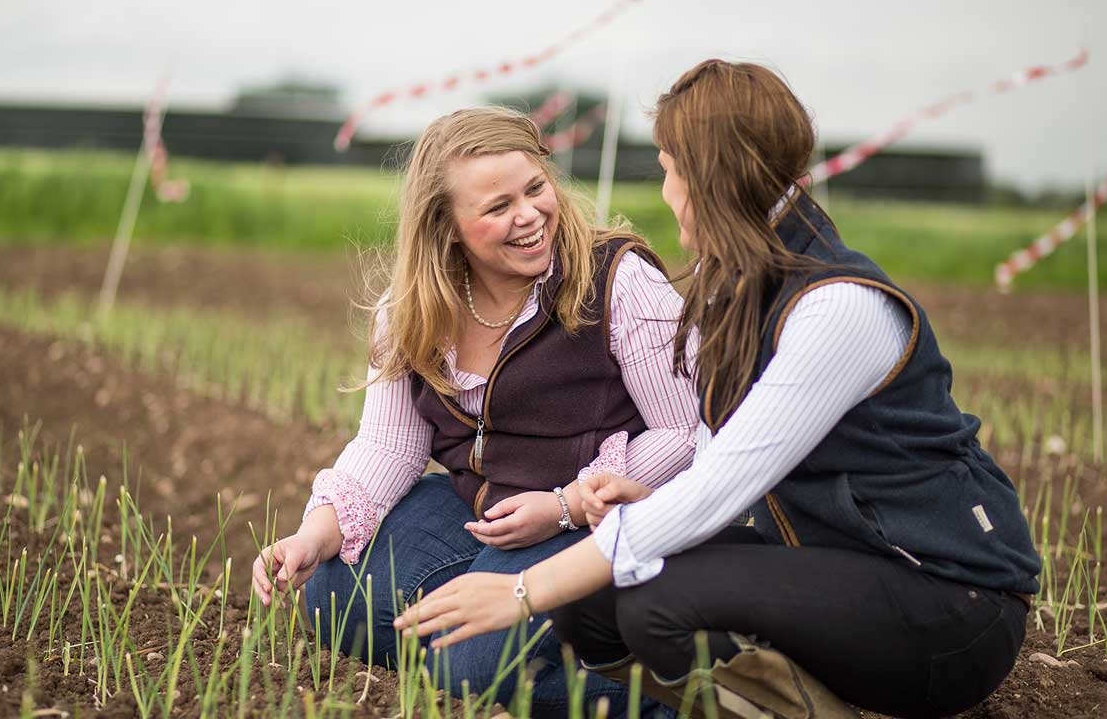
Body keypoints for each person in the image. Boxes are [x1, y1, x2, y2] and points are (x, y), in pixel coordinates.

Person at [393, 60, 1042, 719]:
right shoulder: (737, 285)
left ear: (709, 179)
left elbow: (719, 487)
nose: (667, 190)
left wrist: (522, 592)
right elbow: (718, 466)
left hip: (950, 603)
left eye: (671, 169)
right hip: (835, 560)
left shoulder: (838, 308)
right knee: (595, 602)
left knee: (656, 605)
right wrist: (640, 497)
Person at [251, 107, 699, 715]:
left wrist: (566, 504)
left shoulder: (618, 279)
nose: (530, 216)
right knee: (331, 591)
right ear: (447, 228)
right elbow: (389, 447)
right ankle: (495, 645)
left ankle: (674, 694)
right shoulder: (408, 311)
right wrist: (312, 535)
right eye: (497, 207)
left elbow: (687, 432)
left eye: (536, 188)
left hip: (602, 524)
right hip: (479, 522)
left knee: (476, 661)